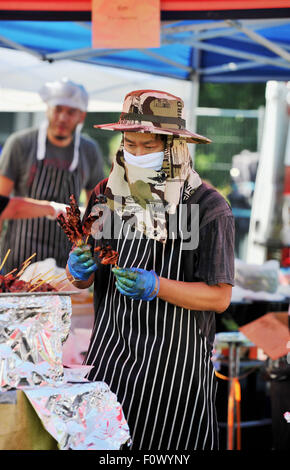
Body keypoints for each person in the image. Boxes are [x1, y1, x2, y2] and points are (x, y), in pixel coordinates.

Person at [65, 90, 235, 450]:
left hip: (174, 375)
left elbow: (220, 298)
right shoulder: (103, 196)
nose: (137, 154)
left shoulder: (207, 207)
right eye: (130, 144)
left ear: (175, 145)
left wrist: (158, 286)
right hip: (109, 366)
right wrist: (78, 271)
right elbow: (85, 278)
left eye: (148, 145)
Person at [0, 78, 104, 273]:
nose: (63, 118)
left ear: (82, 116)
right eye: (58, 109)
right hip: (17, 263)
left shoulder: (89, 151)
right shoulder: (21, 144)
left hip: (65, 266)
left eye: (71, 112)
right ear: (47, 109)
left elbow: (97, 208)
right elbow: (1, 204)